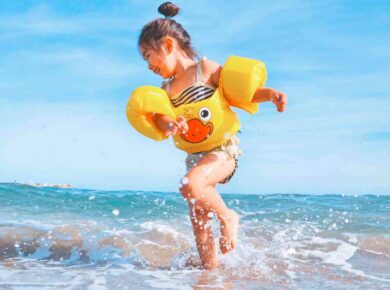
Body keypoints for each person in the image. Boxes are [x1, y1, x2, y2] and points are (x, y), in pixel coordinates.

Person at [136, 2, 287, 270]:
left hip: (223, 151)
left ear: (168, 45)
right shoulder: (166, 90)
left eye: (148, 56)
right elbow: (161, 117)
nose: (148, 65)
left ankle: (229, 218)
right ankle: (210, 275)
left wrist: (271, 94)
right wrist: (170, 124)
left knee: (189, 186)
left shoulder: (204, 69)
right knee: (199, 221)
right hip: (194, 158)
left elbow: (242, 93)